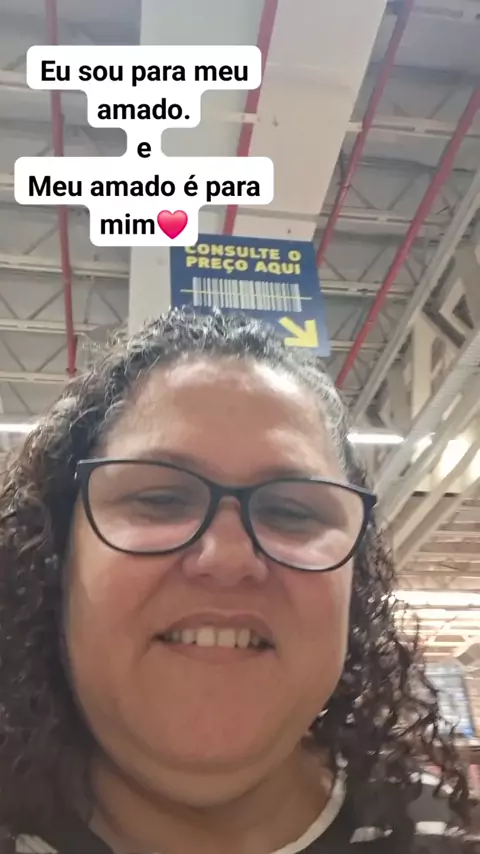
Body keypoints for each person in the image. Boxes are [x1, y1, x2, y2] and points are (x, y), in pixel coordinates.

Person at [0, 308, 476, 854]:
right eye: (160, 499)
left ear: (355, 585)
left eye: (291, 511)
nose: (228, 558)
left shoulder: (447, 834)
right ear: (58, 556)